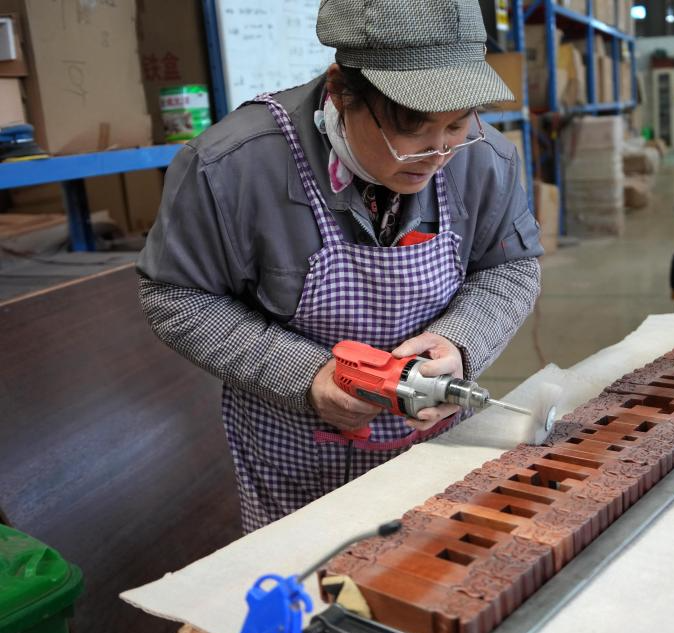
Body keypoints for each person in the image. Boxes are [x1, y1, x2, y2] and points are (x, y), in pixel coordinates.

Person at [136, 0, 543, 532]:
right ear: (340, 90)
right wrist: (304, 376)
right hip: (296, 459)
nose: (439, 152)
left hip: (433, 451)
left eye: (458, 123)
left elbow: (510, 268)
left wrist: (463, 341)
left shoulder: (482, 158)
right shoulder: (232, 167)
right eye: (413, 126)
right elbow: (176, 297)